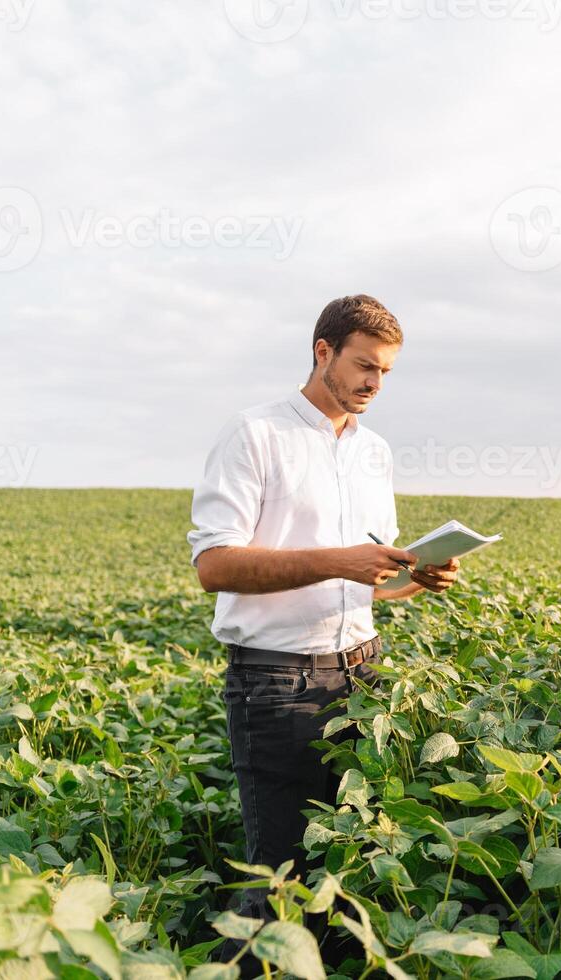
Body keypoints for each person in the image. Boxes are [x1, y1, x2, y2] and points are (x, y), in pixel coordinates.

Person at [187, 294, 459, 971]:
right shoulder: (255, 435)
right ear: (322, 352)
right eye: (364, 365)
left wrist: (409, 579)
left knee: (347, 867)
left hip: (362, 674)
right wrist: (344, 558)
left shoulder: (374, 453)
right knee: (278, 877)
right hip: (278, 682)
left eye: (386, 372)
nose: (374, 382)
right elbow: (213, 565)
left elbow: (358, 583)